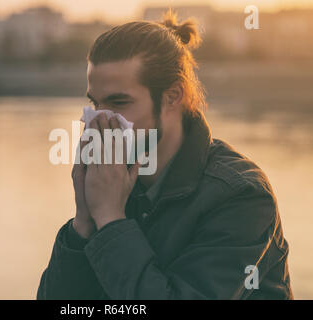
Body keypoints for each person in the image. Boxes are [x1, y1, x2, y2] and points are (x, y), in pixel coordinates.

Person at [37, 10, 293, 299]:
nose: (100, 120)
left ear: (173, 97)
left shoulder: (241, 196)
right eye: (95, 104)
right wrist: (82, 222)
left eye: (119, 102)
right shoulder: (115, 182)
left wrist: (110, 219)